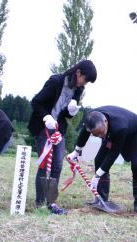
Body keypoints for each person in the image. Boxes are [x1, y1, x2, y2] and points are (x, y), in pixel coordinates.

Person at [27, 60, 97, 214]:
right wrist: (46, 117)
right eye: (85, 79)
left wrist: (71, 112)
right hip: (43, 127)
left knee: (57, 165)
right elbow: (36, 102)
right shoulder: (56, 81)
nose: (84, 84)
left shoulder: (78, 90)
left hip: (59, 130)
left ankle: (51, 202)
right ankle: (41, 203)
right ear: (78, 72)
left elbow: (65, 114)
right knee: (45, 165)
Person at [67, 106, 137, 213]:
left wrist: (97, 175)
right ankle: (101, 198)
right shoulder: (92, 120)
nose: (100, 136)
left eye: (101, 132)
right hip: (112, 132)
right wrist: (76, 152)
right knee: (99, 159)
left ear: (105, 121)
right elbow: (84, 134)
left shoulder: (120, 126)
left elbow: (113, 154)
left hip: (135, 132)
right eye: (96, 135)